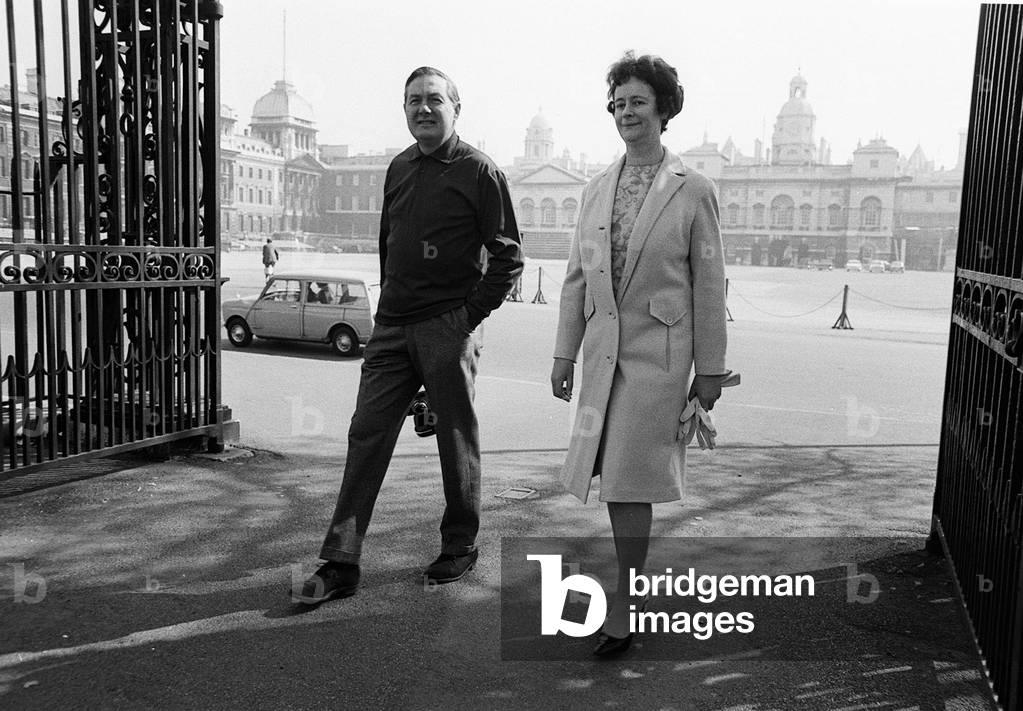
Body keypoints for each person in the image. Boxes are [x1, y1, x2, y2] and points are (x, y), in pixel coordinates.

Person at [295, 66, 523, 604]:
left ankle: (459, 545)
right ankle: (341, 560)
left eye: (435, 100)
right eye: (414, 100)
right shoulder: (398, 166)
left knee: (454, 437)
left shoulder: (479, 170)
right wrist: (389, 303)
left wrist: (466, 319)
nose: (423, 108)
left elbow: (508, 257)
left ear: (456, 108)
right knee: (366, 435)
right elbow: (388, 240)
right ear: (404, 109)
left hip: (448, 323)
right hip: (392, 327)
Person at [549, 51, 730, 656]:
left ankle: (625, 601)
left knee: (627, 481)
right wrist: (562, 354)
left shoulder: (692, 188)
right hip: (603, 355)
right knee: (615, 480)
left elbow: (709, 283)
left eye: (638, 102)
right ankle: (629, 591)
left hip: (659, 358)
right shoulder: (598, 188)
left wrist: (708, 372)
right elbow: (577, 277)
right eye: (619, 102)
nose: (626, 112)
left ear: (664, 109)